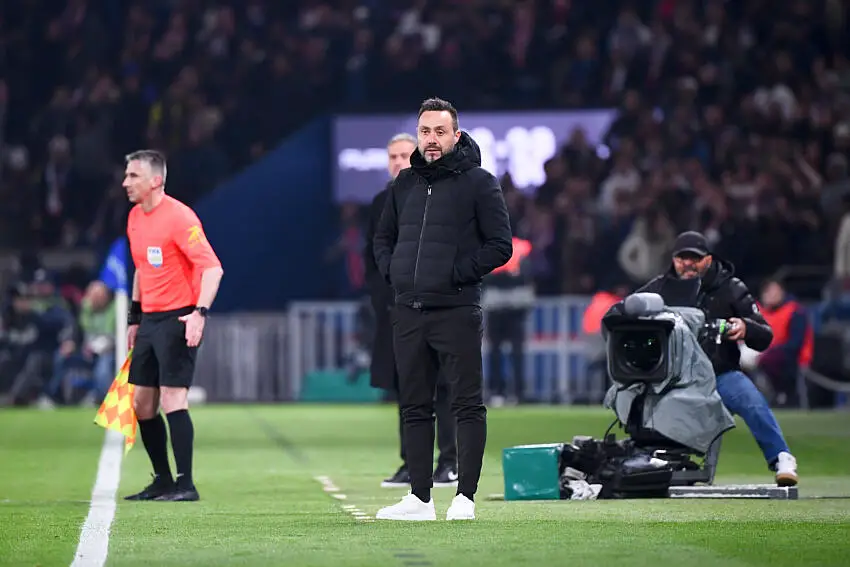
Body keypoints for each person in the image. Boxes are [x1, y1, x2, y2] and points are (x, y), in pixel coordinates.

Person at [372, 97, 513, 520]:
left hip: (457, 310)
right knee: (415, 406)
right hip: (409, 310)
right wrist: (395, 273)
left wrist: (456, 273)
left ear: (456, 135)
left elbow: (500, 245)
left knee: (466, 405)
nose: (431, 139)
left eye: (439, 131)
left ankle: (465, 498)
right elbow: (383, 239)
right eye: (425, 131)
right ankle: (419, 499)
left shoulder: (480, 182)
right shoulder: (404, 184)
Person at [636, 231, 798, 486]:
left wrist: (746, 327)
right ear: (673, 259)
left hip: (718, 374)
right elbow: (626, 312)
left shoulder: (731, 288)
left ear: (709, 259)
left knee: (750, 399)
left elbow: (765, 335)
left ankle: (781, 458)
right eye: (681, 258)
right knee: (636, 397)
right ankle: (641, 462)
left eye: (695, 258)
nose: (687, 264)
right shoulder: (659, 289)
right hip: (673, 379)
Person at [121, 150, 224, 502]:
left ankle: (186, 484)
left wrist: (199, 314)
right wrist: (135, 318)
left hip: (179, 316)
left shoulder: (180, 218)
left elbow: (213, 268)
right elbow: (141, 268)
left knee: (172, 397)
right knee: (142, 404)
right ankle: (163, 480)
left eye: (133, 176)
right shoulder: (135, 217)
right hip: (150, 319)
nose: (125, 182)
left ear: (156, 181)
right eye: (127, 175)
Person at [364, 133, 458, 489]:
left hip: (437, 306)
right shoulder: (380, 203)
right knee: (407, 390)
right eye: (393, 157)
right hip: (397, 311)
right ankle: (412, 464)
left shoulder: (439, 195)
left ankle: (449, 462)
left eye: (404, 155)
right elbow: (372, 257)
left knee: (444, 386)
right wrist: (384, 300)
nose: (398, 162)